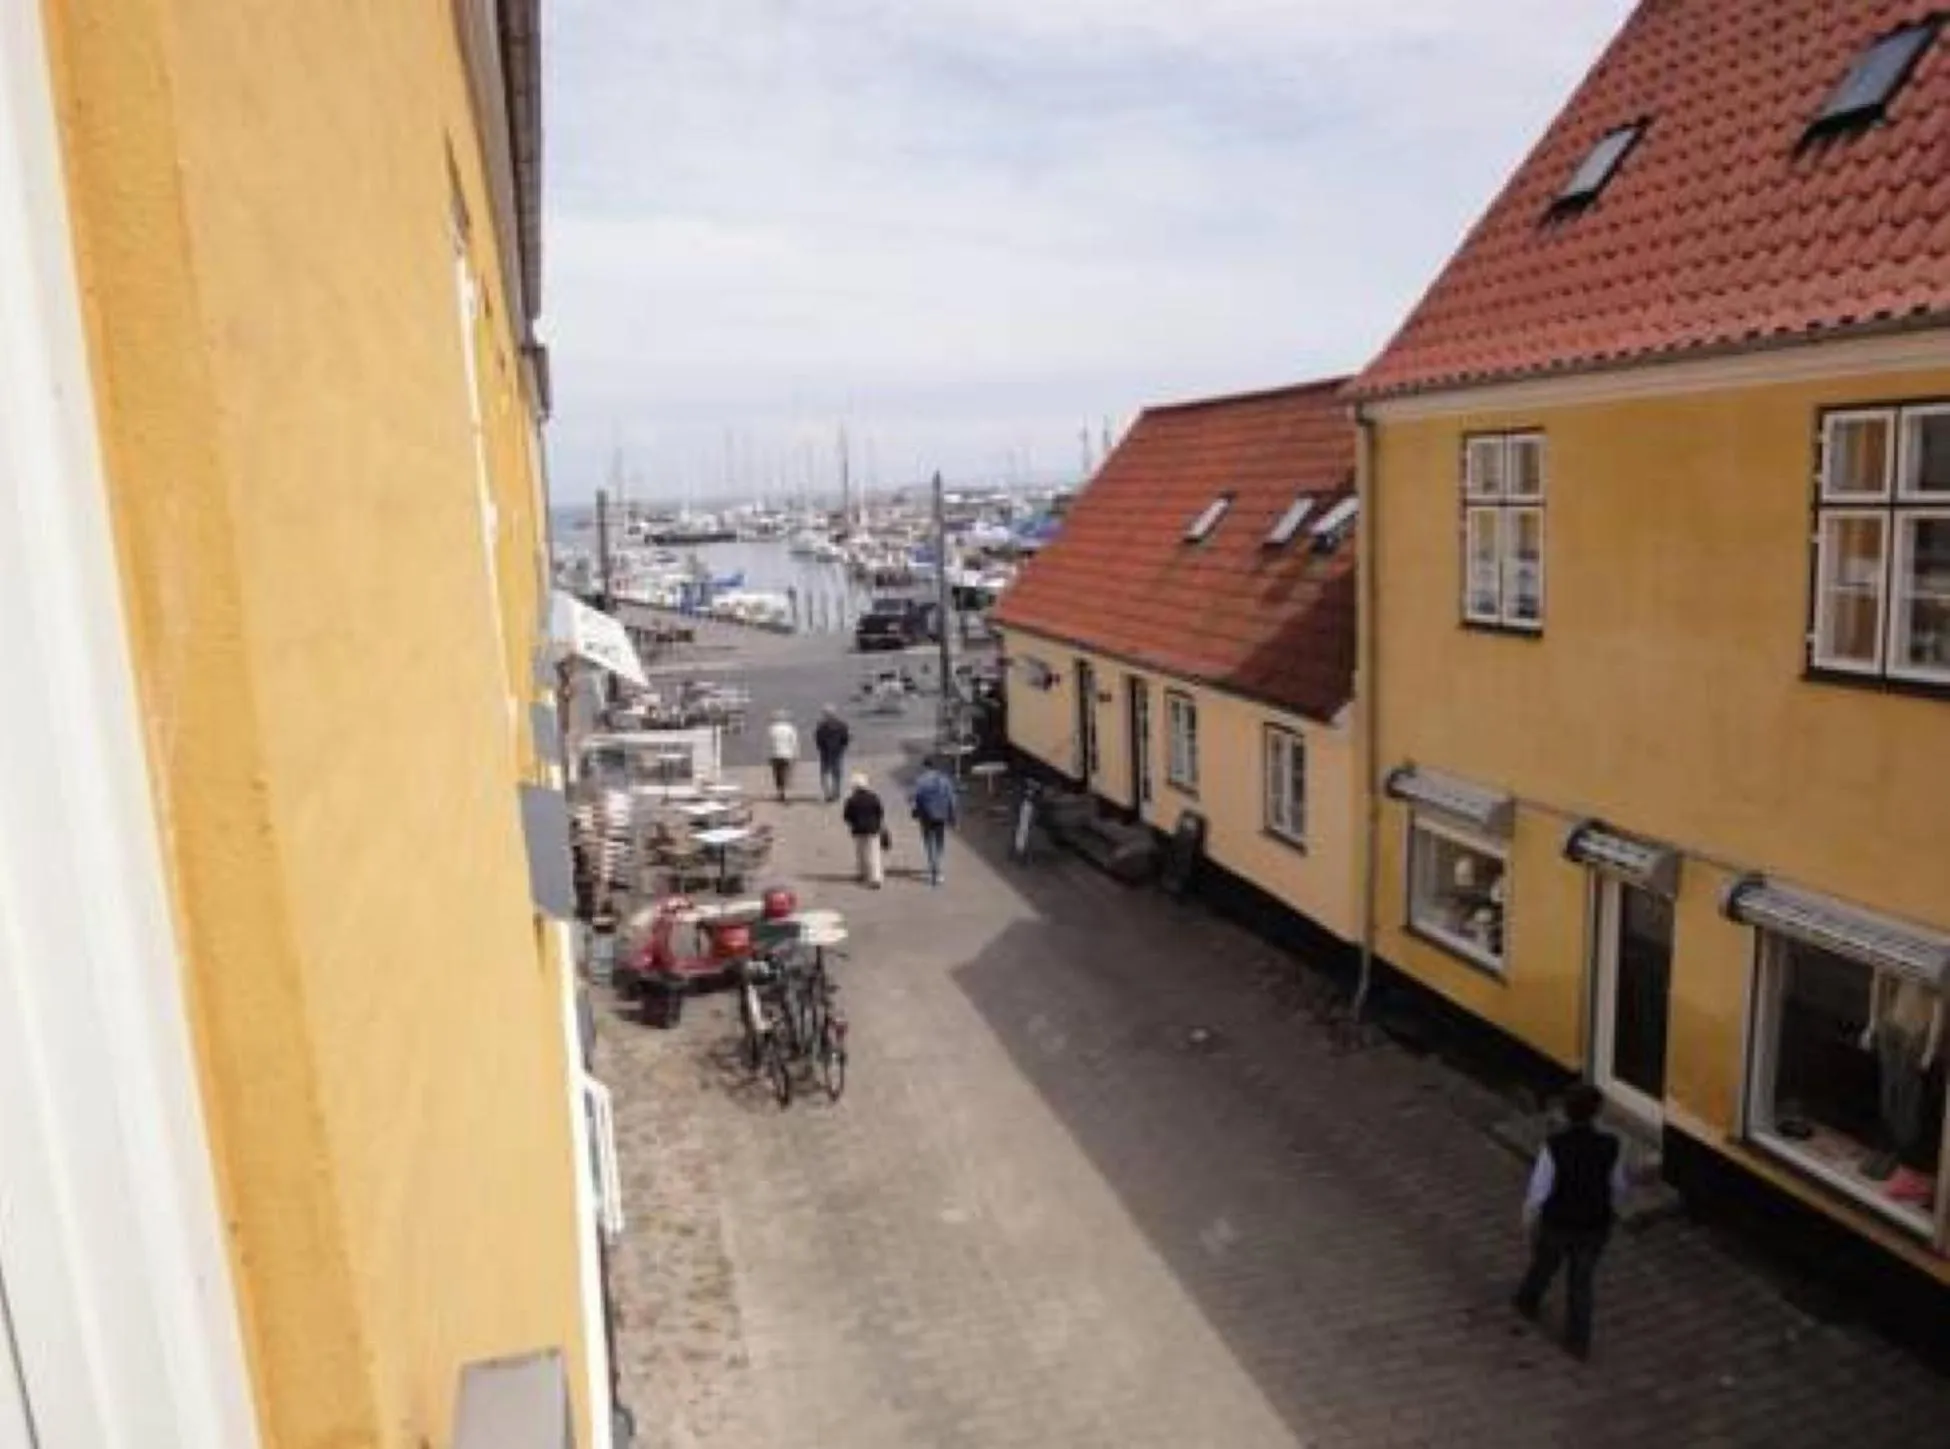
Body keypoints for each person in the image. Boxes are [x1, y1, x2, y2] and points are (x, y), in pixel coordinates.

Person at [1513, 1083, 1628, 1360]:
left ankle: (1527, 1300)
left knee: (1544, 1264)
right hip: (1593, 1226)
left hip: (1558, 1223)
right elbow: (1618, 1186)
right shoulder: (1610, 1145)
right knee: (1581, 1281)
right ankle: (1578, 1340)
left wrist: (1528, 1219)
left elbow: (1539, 1190)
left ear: (1565, 1113)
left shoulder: (1554, 1147)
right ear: (1597, 1113)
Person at [909, 755, 959, 887]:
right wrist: (953, 816)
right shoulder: (944, 780)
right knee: (939, 841)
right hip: (941, 814)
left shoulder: (921, 780)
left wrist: (915, 812)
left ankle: (933, 868)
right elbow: (951, 798)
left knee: (928, 841)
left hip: (925, 815)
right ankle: (939, 869)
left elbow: (915, 798)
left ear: (925, 766)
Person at [841, 772, 886, 888]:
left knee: (861, 852)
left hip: (858, 829)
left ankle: (862, 872)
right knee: (874, 853)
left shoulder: (851, 800)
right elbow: (880, 812)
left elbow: (846, 816)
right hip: (873, 828)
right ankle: (875, 877)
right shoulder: (873, 797)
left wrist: (853, 823)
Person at [813, 706, 851, 803]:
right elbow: (845, 738)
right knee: (837, 773)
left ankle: (827, 793)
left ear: (825, 715)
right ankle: (836, 792)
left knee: (824, 773)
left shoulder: (821, 726)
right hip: (837, 751)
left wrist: (821, 748)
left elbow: (818, 739)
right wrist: (842, 747)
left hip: (825, 751)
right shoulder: (842, 725)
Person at [765, 710, 799, 803]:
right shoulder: (790, 729)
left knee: (777, 774)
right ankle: (786, 789)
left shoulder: (771, 729)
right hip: (787, 754)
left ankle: (780, 791)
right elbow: (794, 742)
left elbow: (768, 743)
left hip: (775, 754)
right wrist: (796, 753)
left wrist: (768, 755)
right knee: (786, 772)